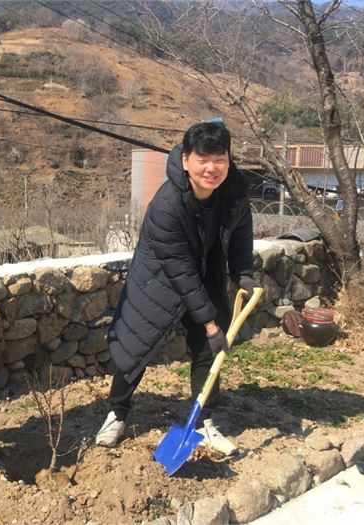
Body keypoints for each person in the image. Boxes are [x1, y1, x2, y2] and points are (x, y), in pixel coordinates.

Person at [95, 121, 259, 455]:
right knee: (137, 346)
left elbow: (241, 232)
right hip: (160, 277)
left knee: (207, 351)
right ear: (186, 160)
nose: (211, 168)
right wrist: (211, 323)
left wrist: (243, 273)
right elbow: (181, 271)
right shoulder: (166, 206)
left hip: (208, 268)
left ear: (229, 159)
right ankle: (117, 412)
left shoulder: (235, 189)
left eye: (220, 159)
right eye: (203, 159)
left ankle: (204, 421)